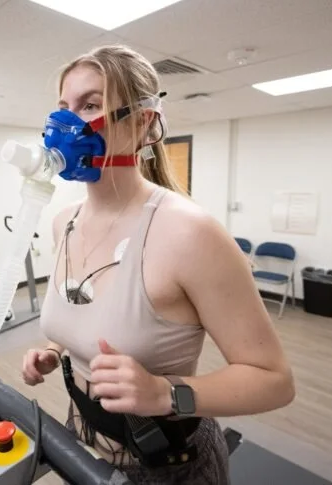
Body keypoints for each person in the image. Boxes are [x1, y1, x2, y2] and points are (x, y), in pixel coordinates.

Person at [22, 45, 295, 484]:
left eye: (90, 105)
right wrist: (55, 350)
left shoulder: (189, 234)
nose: (65, 125)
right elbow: (93, 316)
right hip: (83, 445)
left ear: (144, 121)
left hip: (171, 463)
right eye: (62, 109)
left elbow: (275, 380)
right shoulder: (62, 223)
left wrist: (164, 393)